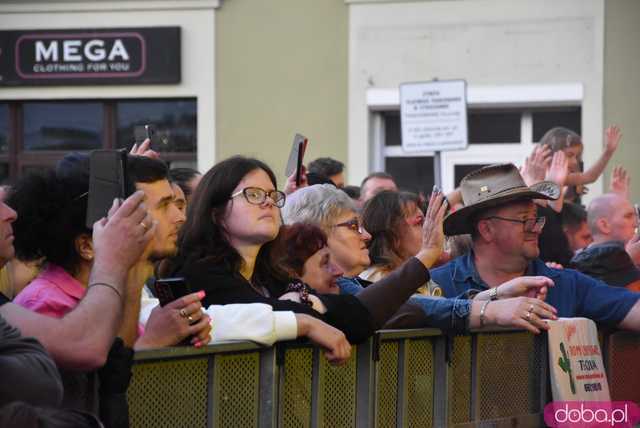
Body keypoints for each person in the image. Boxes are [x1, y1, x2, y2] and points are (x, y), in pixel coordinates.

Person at [166, 156, 445, 346]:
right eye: (253, 195)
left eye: (273, 195)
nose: (267, 203)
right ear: (215, 212)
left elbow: (357, 319)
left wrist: (312, 303)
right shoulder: (198, 272)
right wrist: (305, 311)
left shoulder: (271, 275)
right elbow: (260, 313)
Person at [283, 184, 559, 334]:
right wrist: (489, 308)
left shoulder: (348, 284)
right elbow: (386, 309)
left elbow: (413, 304)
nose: (366, 235)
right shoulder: (294, 291)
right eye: (353, 226)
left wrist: (493, 296)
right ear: (315, 234)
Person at [431, 163, 640, 330]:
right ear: (486, 229)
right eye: (524, 220)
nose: (536, 229)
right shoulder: (438, 286)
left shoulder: (565, 284)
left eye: (536, 218)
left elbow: (632, 309)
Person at [0, 190, 152, 407]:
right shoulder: (42, 301)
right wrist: (112, 262)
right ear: (86, 246)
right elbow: (88, 349)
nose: (11, 214)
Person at [570, 193, 640, 290]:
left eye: (635, 216)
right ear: (604, 225)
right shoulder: (585, 264)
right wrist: (628, 259)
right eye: (628, 216)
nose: (636, 224)